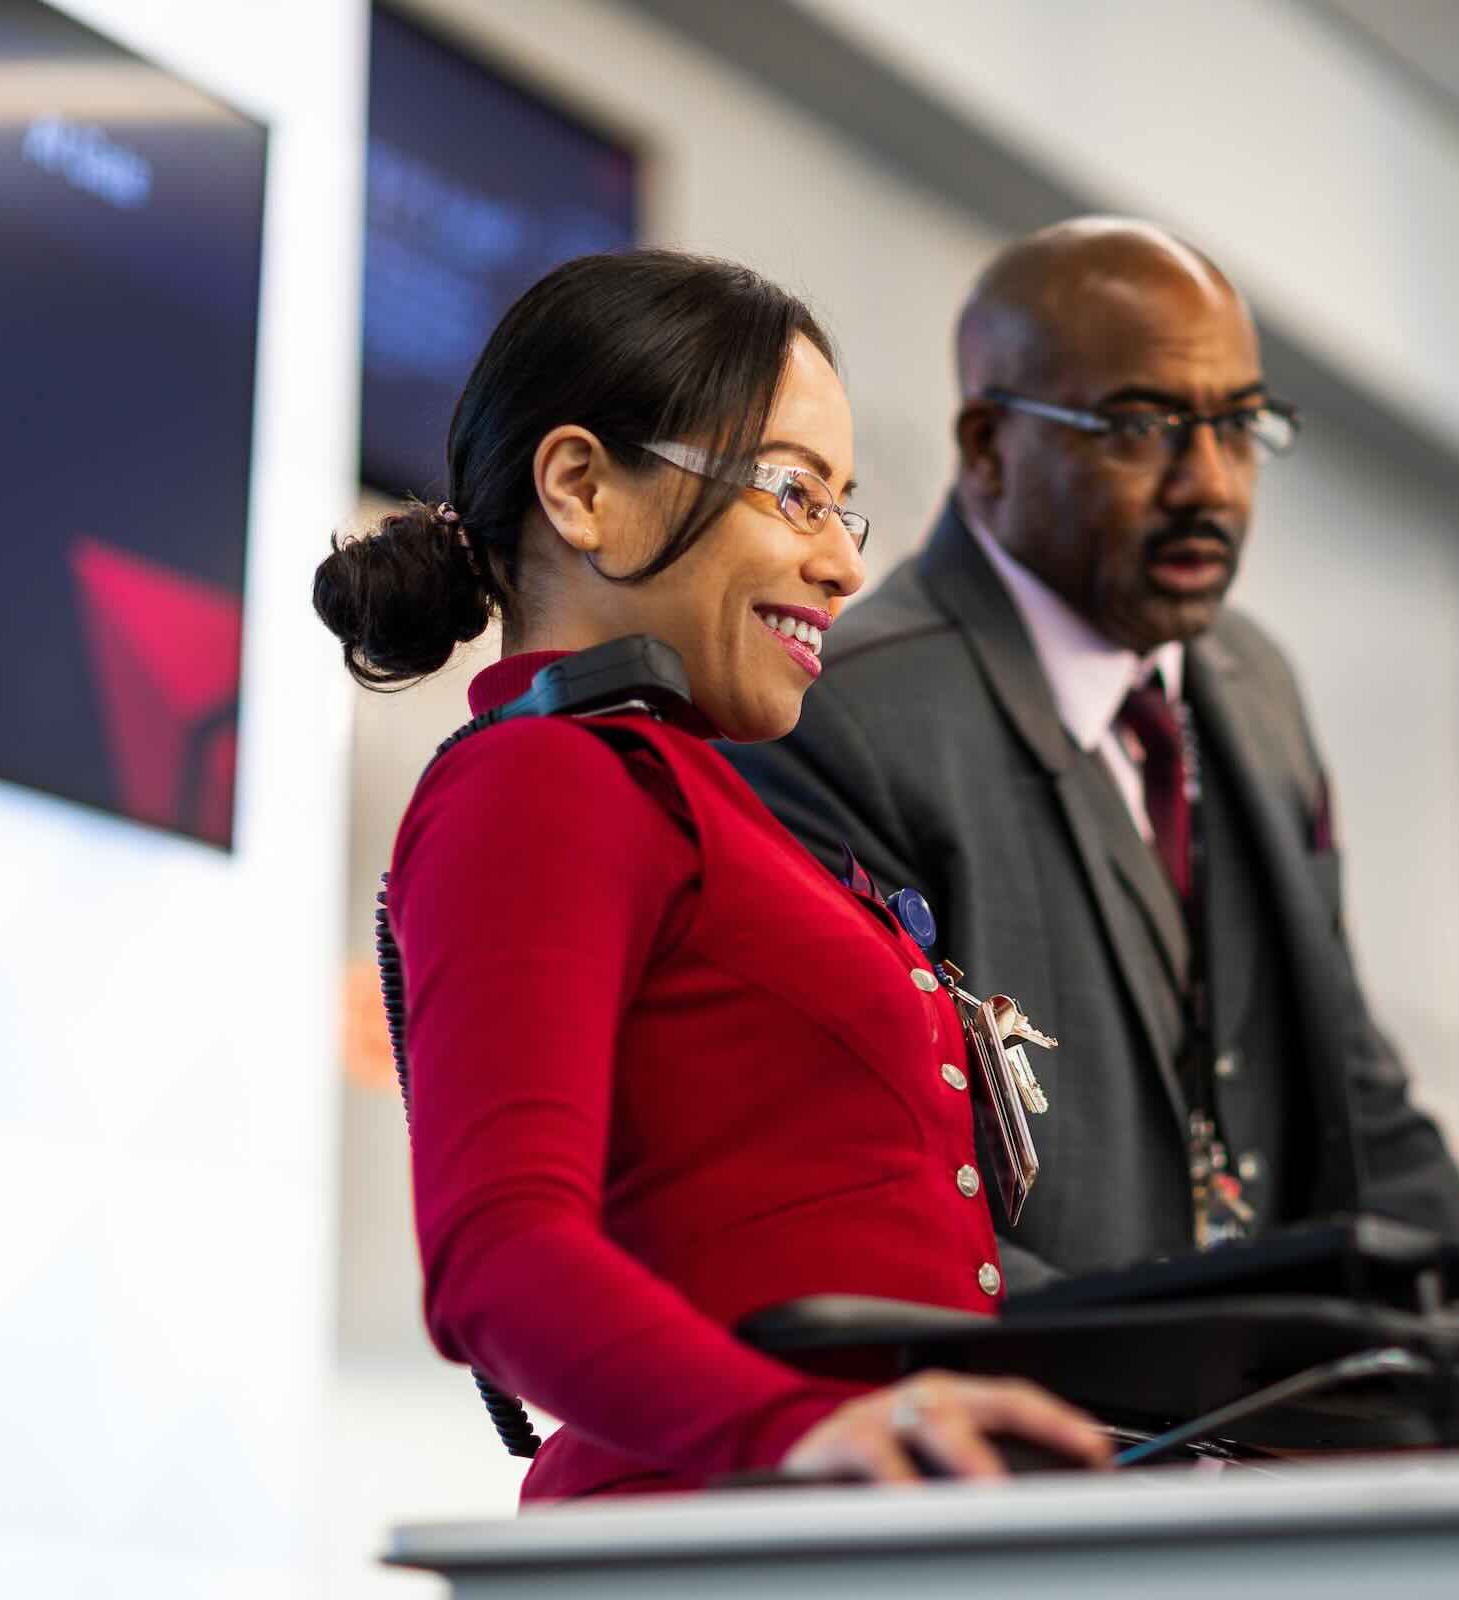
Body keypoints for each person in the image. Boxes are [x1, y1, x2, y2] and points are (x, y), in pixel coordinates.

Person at [312, 250, 1112, 1501]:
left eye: (842, 508)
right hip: (712, 1544)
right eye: (793, 494)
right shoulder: (544, 783)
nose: (844, 564)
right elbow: (500, 1258)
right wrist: (794, 1431)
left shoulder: (708, 802)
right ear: (582, 488)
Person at [727, 220, 1459, 1290]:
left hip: (1281, 1437)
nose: (1210, 484)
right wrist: (1172, 1381)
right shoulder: (841, 716)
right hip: (1040, 1431)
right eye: (1143, 426)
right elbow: (854, 1183)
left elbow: (1351, 1089)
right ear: (987, 447)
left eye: (1239, 426)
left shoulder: (1253, 685)